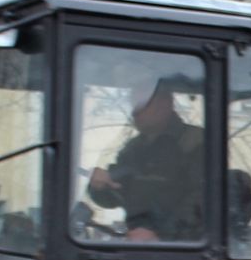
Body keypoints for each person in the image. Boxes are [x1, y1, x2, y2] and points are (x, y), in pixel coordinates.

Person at [85, 76, 205, 241]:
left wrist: (161, 235)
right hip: (140, 243)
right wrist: (100, 186)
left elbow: (202, 200)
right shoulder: (133, 149)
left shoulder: (195, 142)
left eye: (141, 103)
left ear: (165, 104)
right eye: (133, 103)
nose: (134, 111)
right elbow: (118, 194)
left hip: (185, 250)